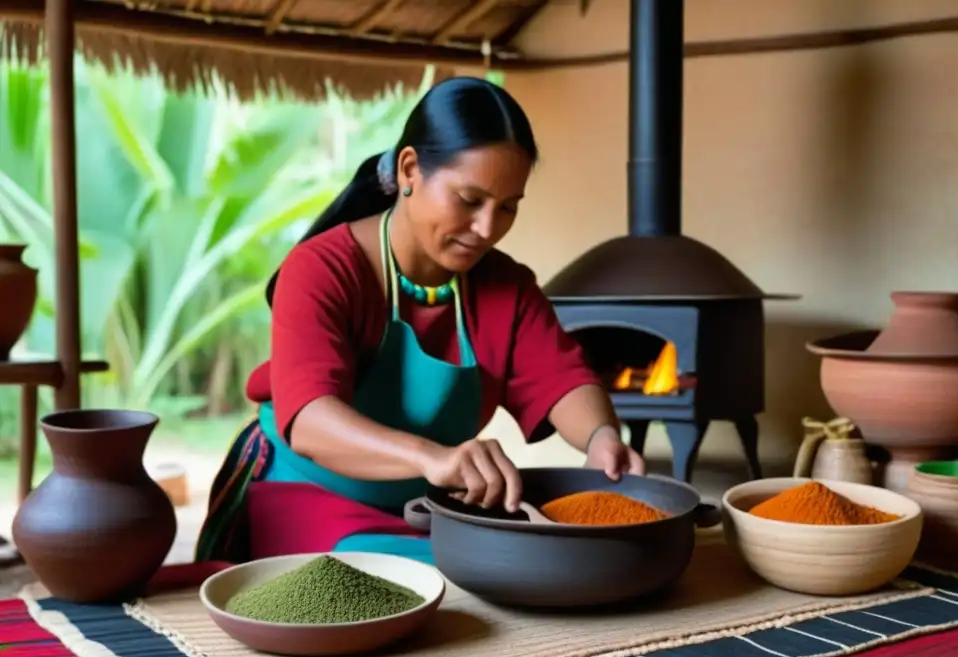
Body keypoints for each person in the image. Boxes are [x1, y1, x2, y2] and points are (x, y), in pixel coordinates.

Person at [196, 76, 644, 564]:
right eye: (469, 201)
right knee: (422, 584)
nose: (487, 229)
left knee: (500, 572)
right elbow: (311, 420)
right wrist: (434, 457)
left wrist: (602, 438)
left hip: (427, 508)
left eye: (508, 208)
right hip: (308, 495)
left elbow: (563, 380)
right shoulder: (322, 269)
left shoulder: (506, 286)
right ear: (410, 170)